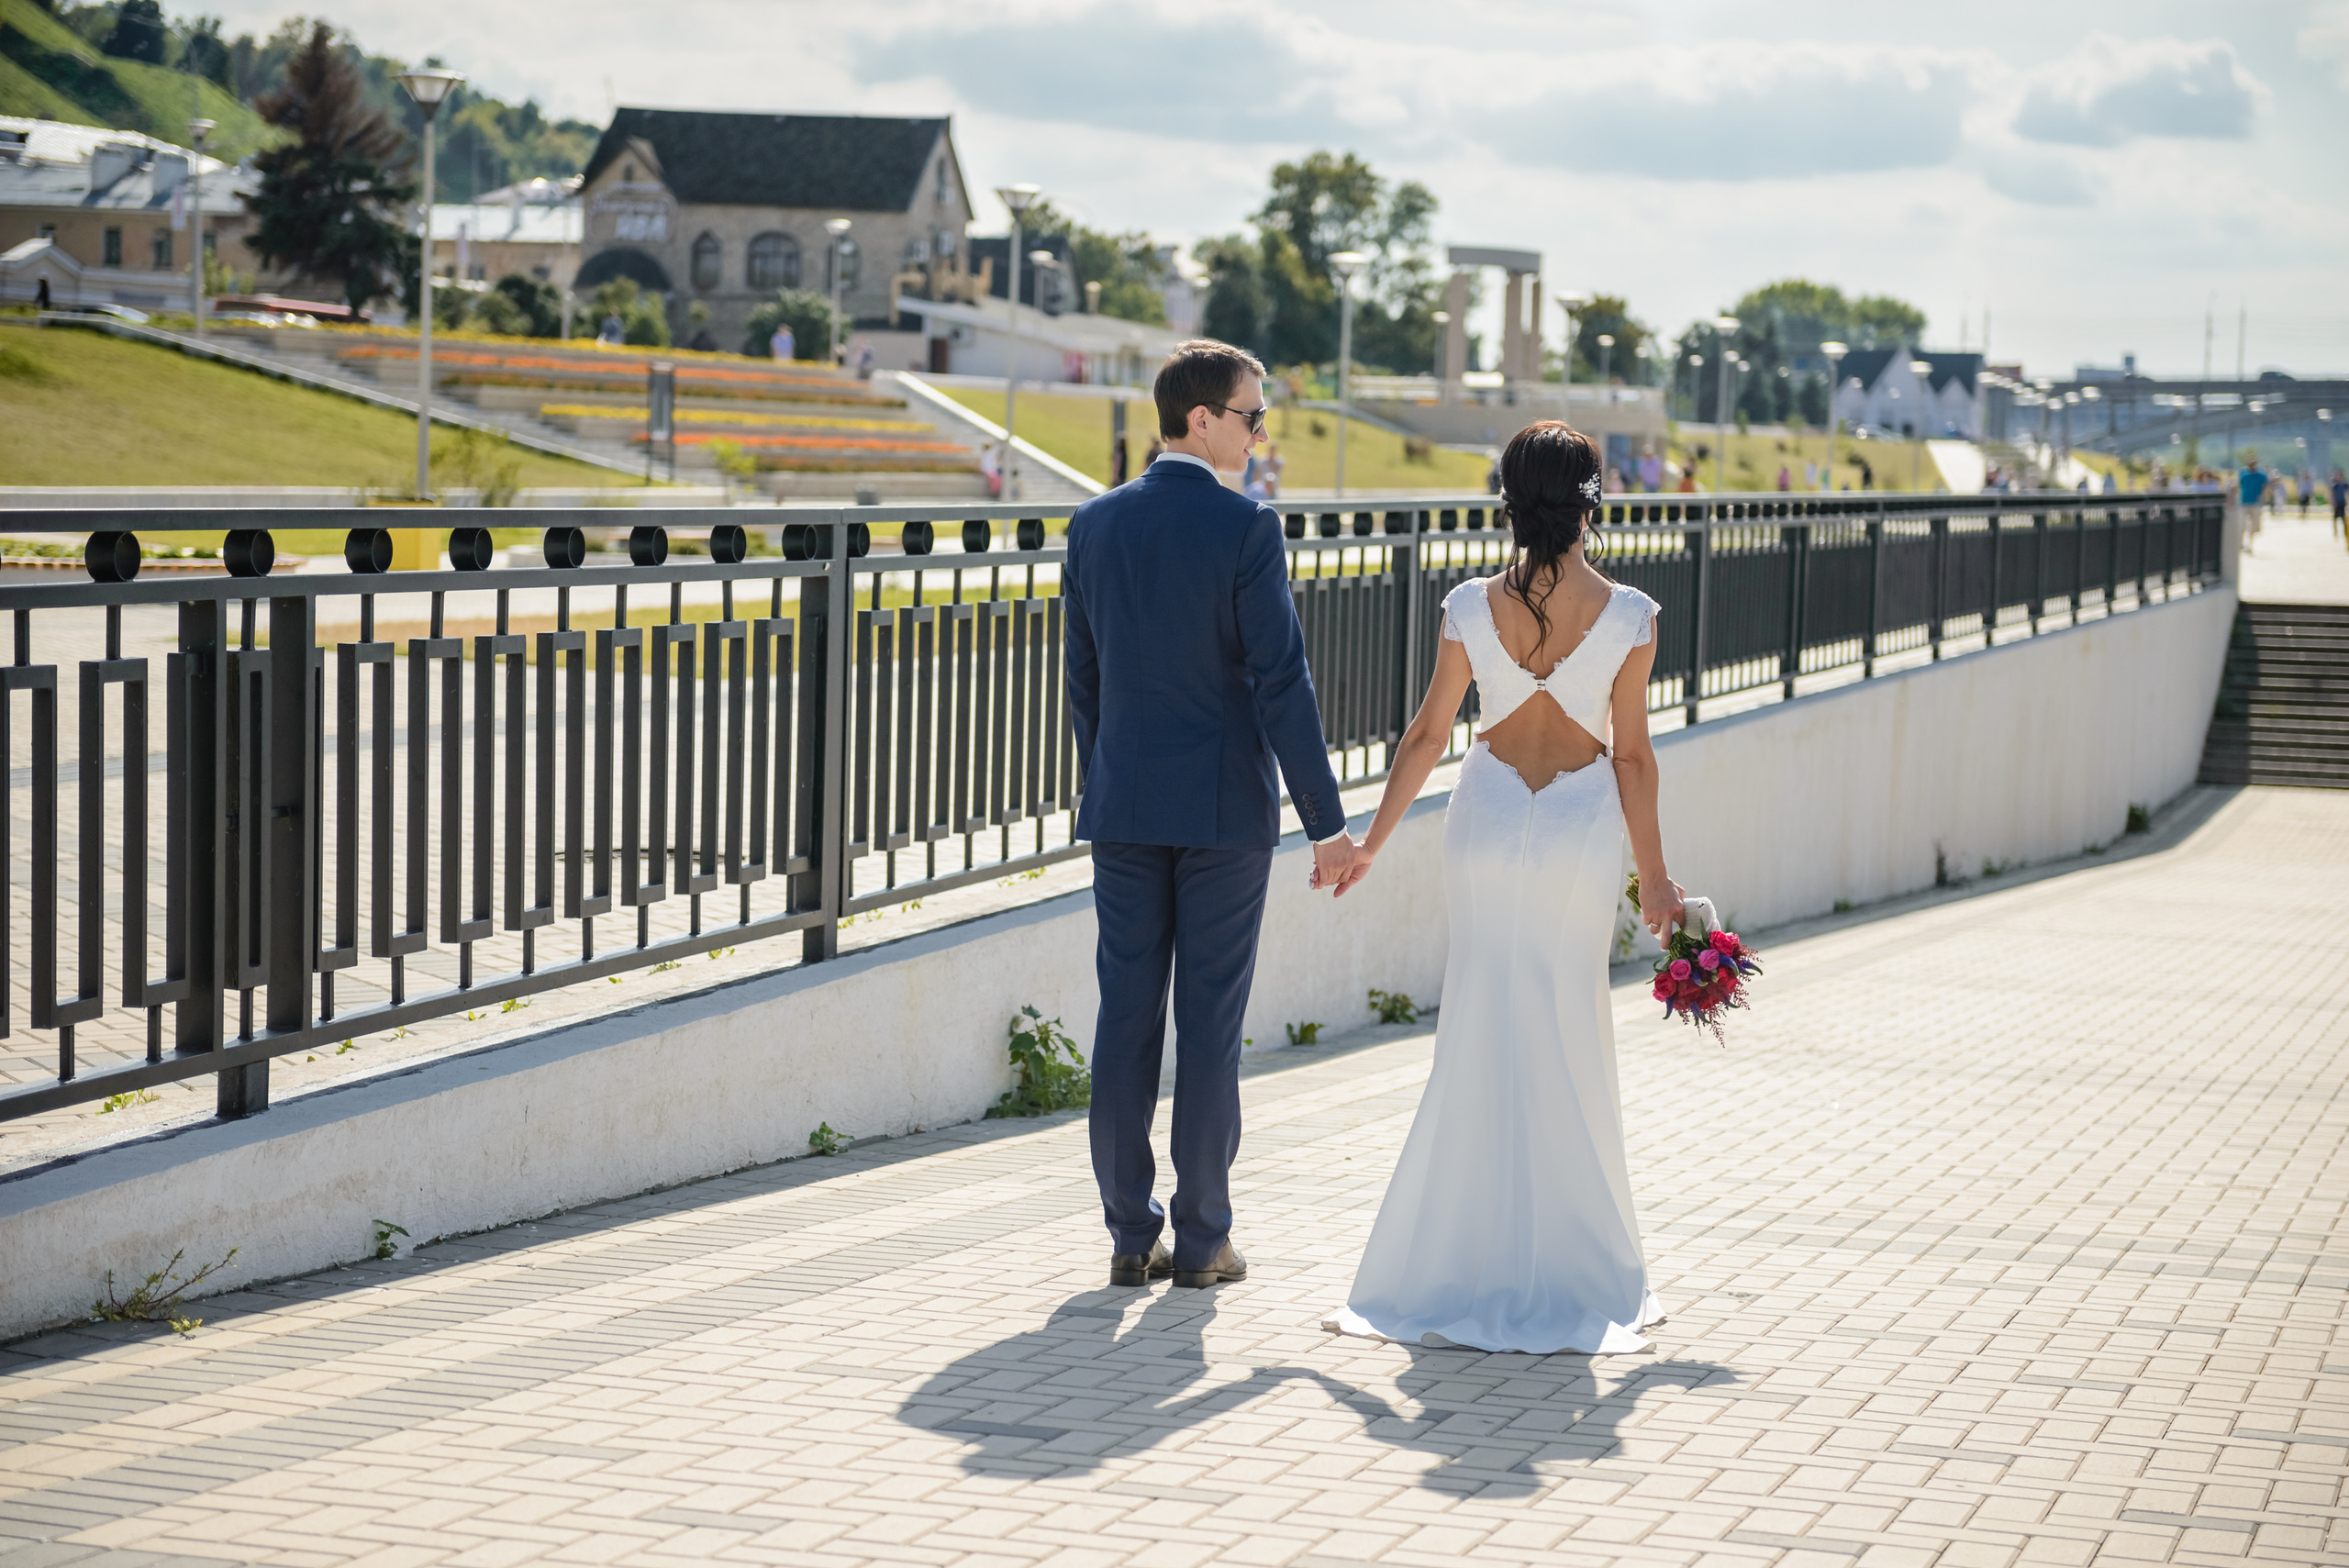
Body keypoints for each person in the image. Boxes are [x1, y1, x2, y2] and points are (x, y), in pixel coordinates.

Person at [1321, 421, 1678, 1354]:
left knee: (1478, 1016)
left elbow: (1426, 734)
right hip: (1577, 825)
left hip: (1482, 819)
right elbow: (1632, 756)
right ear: (1591, 501)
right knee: (1565, 1016)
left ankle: (1452, 1255)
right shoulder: (1631, 615)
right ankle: (1570, 1259)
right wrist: (1656, 878)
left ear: (1509, 498)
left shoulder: (1467, 606)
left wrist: (1371, 843)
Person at [1063, 339, 1362, 1292]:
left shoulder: (1092, 523)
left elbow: (1082, 679)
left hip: (1123, 805)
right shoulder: (1247, 527)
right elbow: (1281, 680)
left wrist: (1110, 775)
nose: (1260, 432)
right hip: (1225, 811)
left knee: (1124, 1016)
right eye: (1251, 414)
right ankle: (1200, 1240)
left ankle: (1128, 1233)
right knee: (1209, 1027)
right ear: (1202, 420)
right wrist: (1326, 824)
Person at [2330, 469, 2346, 539]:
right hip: (2337, 503)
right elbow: (2331, 494)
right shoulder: (2335, 485)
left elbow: (2347, 493)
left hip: (2343, 503)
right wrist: (2332, 503)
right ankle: (2336, 533)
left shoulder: (2345, 484)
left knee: (2344, 519)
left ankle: (2345, 533)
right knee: (2335, 519)